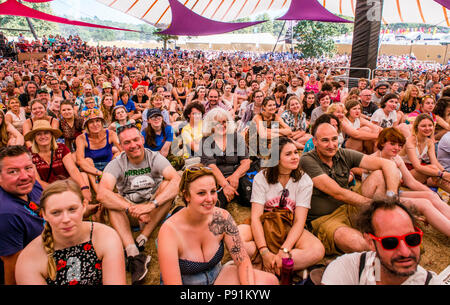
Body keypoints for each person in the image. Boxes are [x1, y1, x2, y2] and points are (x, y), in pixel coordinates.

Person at [157, 165, 278, 285]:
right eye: (201, 193)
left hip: (217, 276)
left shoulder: (222, 217)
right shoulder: (170, 231)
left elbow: (243, 261)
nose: (210, 199)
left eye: (213, 191)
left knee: (270, 281)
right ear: (186, 195)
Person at [96, 124, 181, 285]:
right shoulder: (117, 163)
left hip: (153, 209)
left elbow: (177, 180)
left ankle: (143, 238)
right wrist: (132, 208)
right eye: (127, 142)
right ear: (121, 146)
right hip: (131, 212)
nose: (133, 145)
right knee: (111, 200)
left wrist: (151, 206)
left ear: (142, 139)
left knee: (167, 186)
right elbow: (101, 193)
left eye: (136, 140)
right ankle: (133, 252)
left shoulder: (154, 157)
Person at [300, 122, 400, 256]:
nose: (331, 145)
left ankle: (383, 225)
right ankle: (385, 241)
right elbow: (337, 192)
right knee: (358, 244)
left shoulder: (342, 154)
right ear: (315, 141)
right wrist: (376, 205)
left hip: (348, 207)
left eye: (334, 139)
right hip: (325, 219)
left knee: (379, 175)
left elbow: (388, 163)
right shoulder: (307, 160)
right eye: (325, 140)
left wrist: (392, 198)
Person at [238, 137, 325, 277]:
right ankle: (277, 264)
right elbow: (255, 218)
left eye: (296, 152)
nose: (295, 157)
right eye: (288, 154)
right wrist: (264, 251)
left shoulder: (304, 180)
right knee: (236, 238)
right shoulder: (262, 177)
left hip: (288, 226)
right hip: (264, 223)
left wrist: (283, 251)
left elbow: (299, 221)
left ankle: (269, 264)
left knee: (317, 250)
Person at [15, 180, 126, 285]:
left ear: (83, 207)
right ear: (44, 214)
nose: (66, 219)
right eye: (56, 212)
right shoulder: (29, 258)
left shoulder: (105, 237)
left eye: (72, 209)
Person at [321, 199, 442, 285]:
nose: (405, 252)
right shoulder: (349, 268)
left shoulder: (430, 282)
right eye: (390, 242)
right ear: (370, 242)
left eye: (412, 239)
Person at [362, 127, 450, 236]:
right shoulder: (372, 160)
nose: (397, 148)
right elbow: (371, 193)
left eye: (399, 145)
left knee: (431, 195)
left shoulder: (396, 158)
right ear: (383, 143)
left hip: (396, 193)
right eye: (393, 144)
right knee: (424, 204)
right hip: (380, 199)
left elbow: (411, 182)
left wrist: (431, 193)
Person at [0, 145, 45, 284]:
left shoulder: (29, 185)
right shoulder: (7, 214)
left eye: (28, 168)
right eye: (13, 171)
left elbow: (44, 209)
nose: (24, 176)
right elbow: (12, 270)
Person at [200, 108, 250, 208]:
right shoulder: (206, 140)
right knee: (216, 203)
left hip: (237, 176)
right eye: (217, 123)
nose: (222, 126)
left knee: (249, 198)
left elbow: (246, 162)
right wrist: (226, 186)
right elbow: (212, 166)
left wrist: (235, 176)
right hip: (217, 179)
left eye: (224, 122)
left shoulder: (236, 137)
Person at [399, 113, 450, 194]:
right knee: (434, 170)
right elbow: (417, 166)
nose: (427, 128)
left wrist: (445, 172)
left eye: (430, 125)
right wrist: (442, 174)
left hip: (415, 173)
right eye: (423, 126)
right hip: (402, 174)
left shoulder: (429, 142)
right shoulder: (410, 141)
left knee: (436, 171)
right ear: (417, 127)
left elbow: (435, 162)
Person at [75, 108, 121, 193]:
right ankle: (98, 191)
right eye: (91, 122)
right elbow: (80, 161)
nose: (95, 124)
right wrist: (99, 173)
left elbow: (122, 150)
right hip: (92, 169)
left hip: (109, 166)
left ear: (102, 123)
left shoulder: (110, 134)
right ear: (87, 125)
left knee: (118, 154)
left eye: (97, 121)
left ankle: (108, 189)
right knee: (87, 160)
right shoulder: (81, 138)